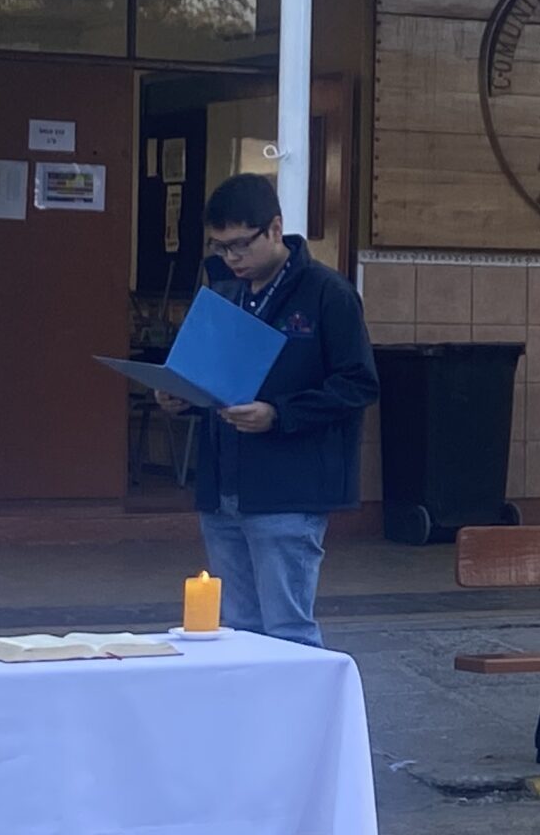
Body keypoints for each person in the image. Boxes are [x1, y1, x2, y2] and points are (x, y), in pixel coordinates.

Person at [161, 175, 378, 647]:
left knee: (288, 628)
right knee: (237, 630)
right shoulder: (225, 292)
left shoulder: (326, 293)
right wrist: (182, 394)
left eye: (241, 245)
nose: (231, 258)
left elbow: (359, 382)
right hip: (224, 486)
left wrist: (279, 413)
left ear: (275, 229)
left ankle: (304, 700)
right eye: (220, 247)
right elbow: (217, 379)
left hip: (290, 487)